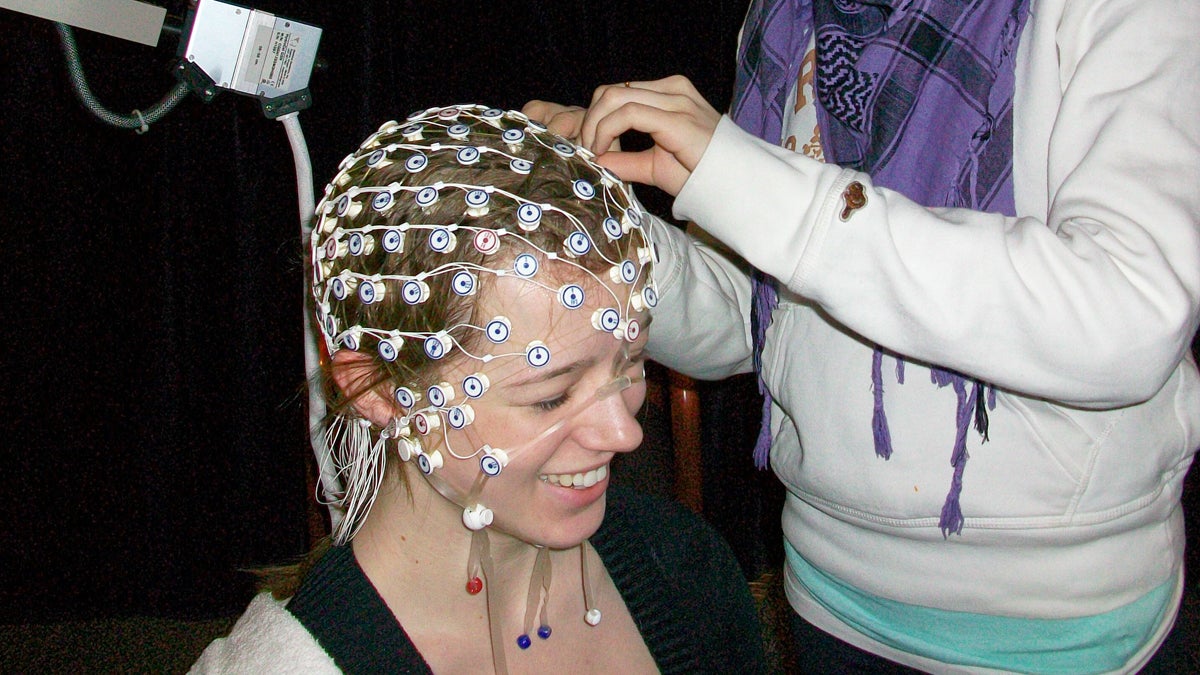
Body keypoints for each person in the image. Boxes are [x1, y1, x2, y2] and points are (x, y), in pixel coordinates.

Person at [525, 0, 1200, 672]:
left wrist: (757, 186)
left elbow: (1130, 316)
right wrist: (607, 237)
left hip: (1061, 628)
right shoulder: (787, 18)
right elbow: (757, 318)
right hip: (829, 596)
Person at [190, 104, 766, 674]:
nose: (626, 433)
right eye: (550, 394)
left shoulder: (683, 568)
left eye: (630, 363)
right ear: (378, 389)